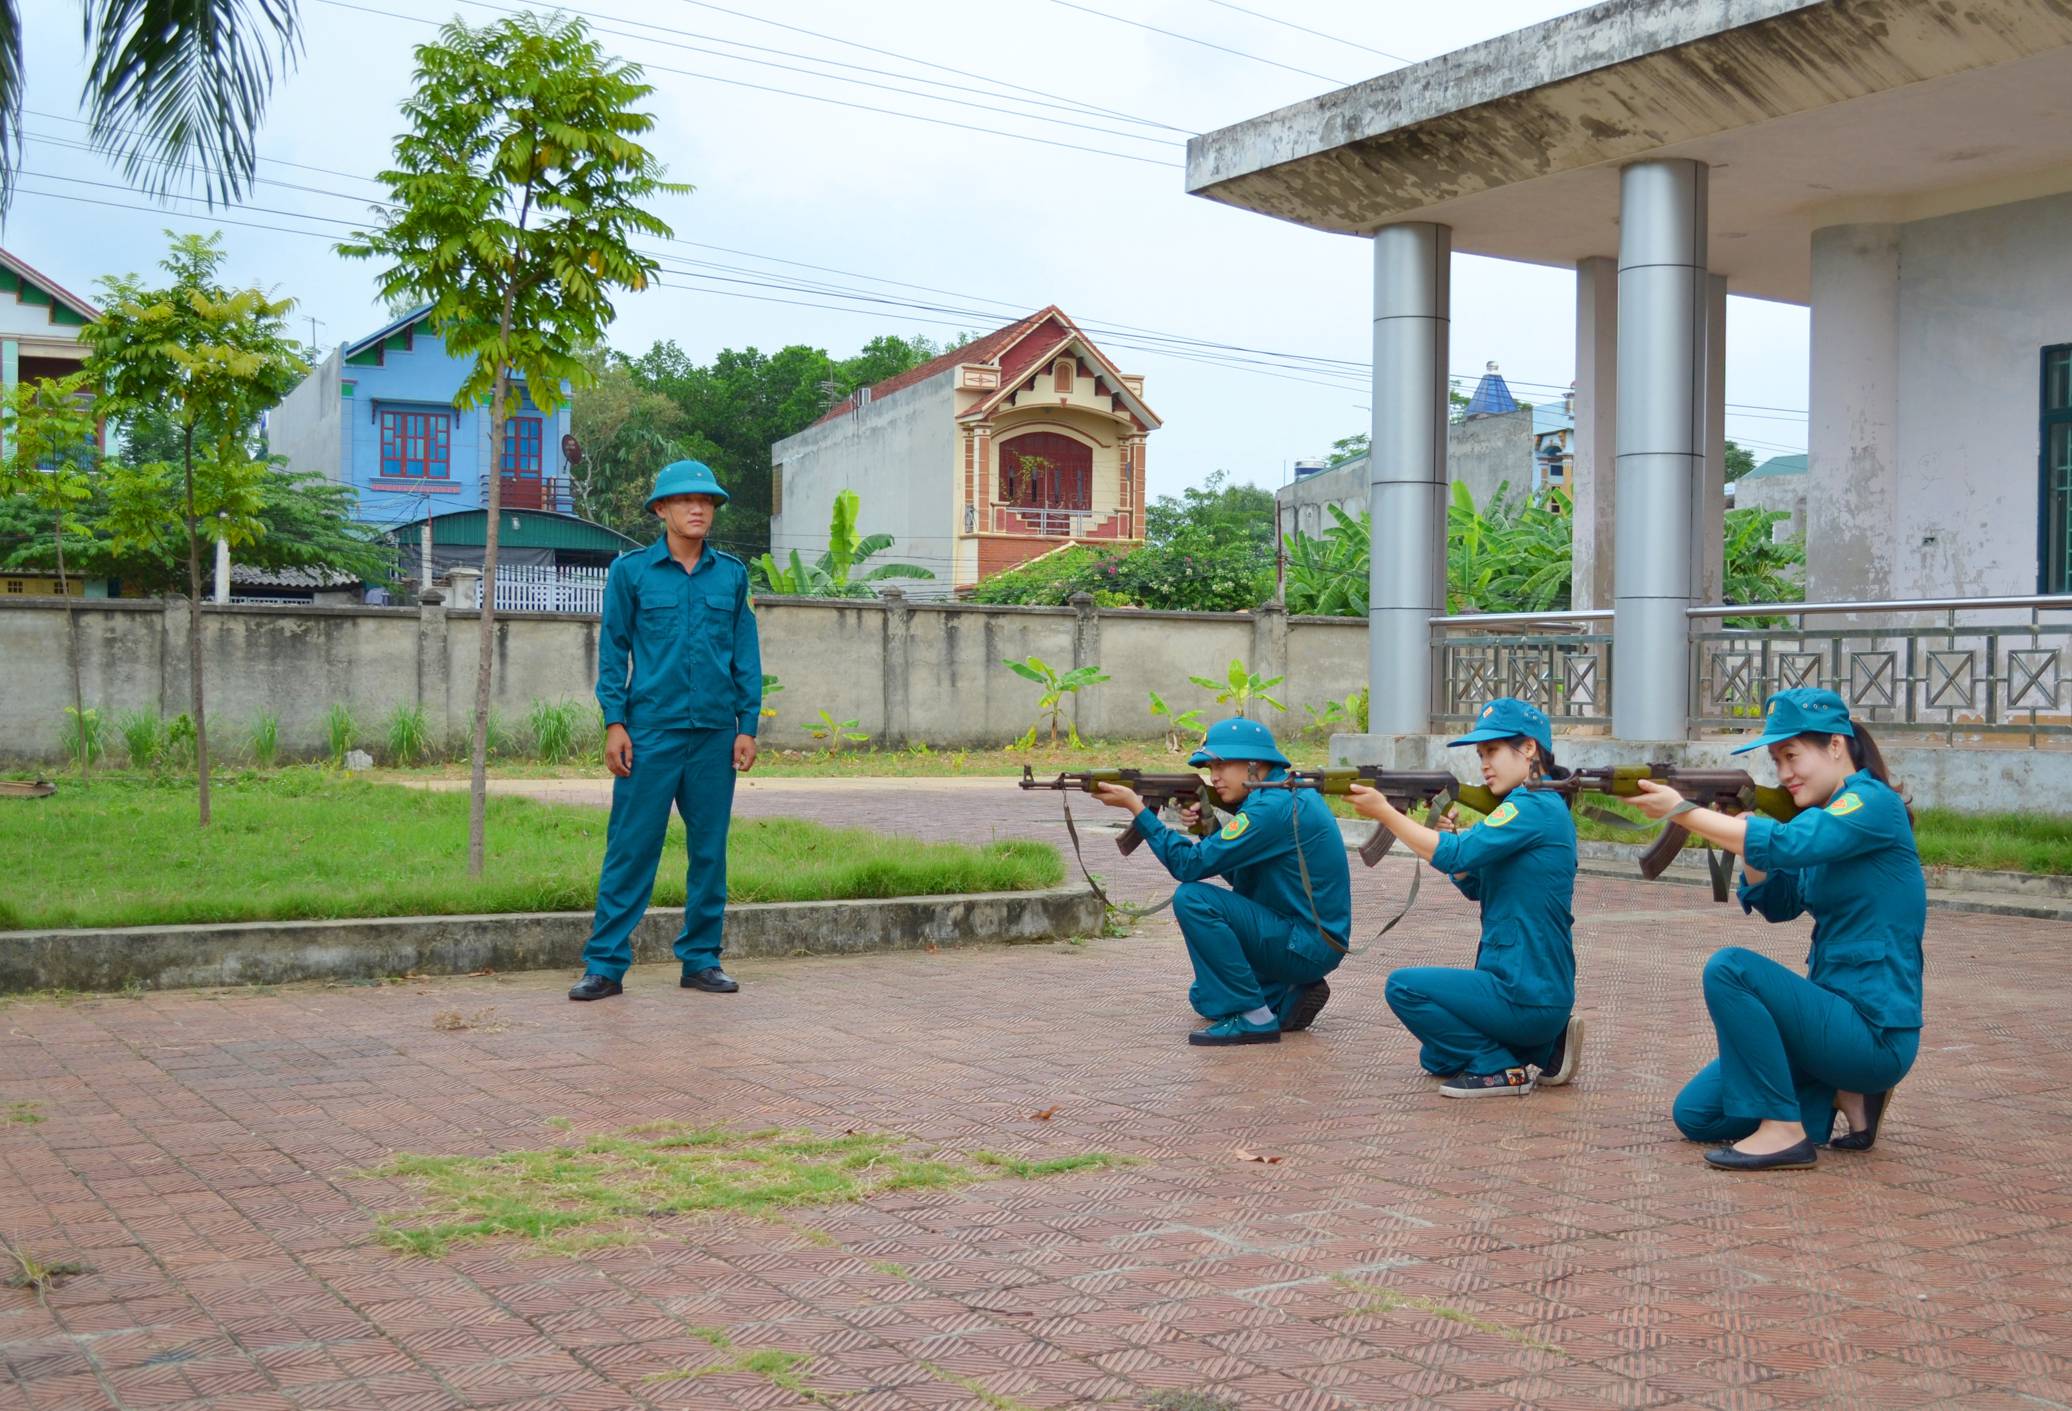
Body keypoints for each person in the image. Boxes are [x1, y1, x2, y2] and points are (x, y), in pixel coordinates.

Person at [1631, 688, 1924, 1171]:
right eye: (1776, 760)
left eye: (1792, 756)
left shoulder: (1872, 805)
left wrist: (1682, 810)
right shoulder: (1825, 816)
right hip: (1831, 1021)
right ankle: (1846, 1093)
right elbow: (1780, 903)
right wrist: (1743, 838)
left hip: (1874, 1030)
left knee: (1731, 969)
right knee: (1697, 1116)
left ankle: (1786, 1131)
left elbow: (1789, 843)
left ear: (1835, 745)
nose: (1784, 773)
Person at [568, 461, 762, 1002]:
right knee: (631, 848)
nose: (699, 509)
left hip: (715, 735)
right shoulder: (631, 572)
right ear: (661, 510)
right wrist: (614, 722)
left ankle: (700, 960)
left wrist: (747, 724)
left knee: (709, 851)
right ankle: (605, 965)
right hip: (650, 731)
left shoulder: (731, 574)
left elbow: (745, 652)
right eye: (685, 501)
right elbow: (614, 653)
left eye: (708, 501)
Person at [1348, 698, 1582, 1098]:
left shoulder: (1532, 806)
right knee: (1436, 1058)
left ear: (1528, 748)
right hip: (1523, 984)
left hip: (1525, 990)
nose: (1484, 764)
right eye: (1480, 754)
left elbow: (1454, 855)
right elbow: (1474, 881)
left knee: (1404, 988)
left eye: (1491, 751)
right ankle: (1544, 1046)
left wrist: (1387, 813)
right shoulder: (1531, 806)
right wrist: (1455, 839)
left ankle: (1500, 1068)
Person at [1090, 717, 1352, 1046]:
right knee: (1205, 998)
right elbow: (1242, 874)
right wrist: (1208, 828)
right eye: (1210, 766)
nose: (1213, 776)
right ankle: (1288, 991)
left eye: (1222, 765)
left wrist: (1137, 809)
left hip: (1305, 944)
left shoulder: (1270, 809)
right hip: (1301, 936)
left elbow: (1187, 866)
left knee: (1193, 898)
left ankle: (1255, 1018)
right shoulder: (1283, 793)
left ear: (1255, 764)